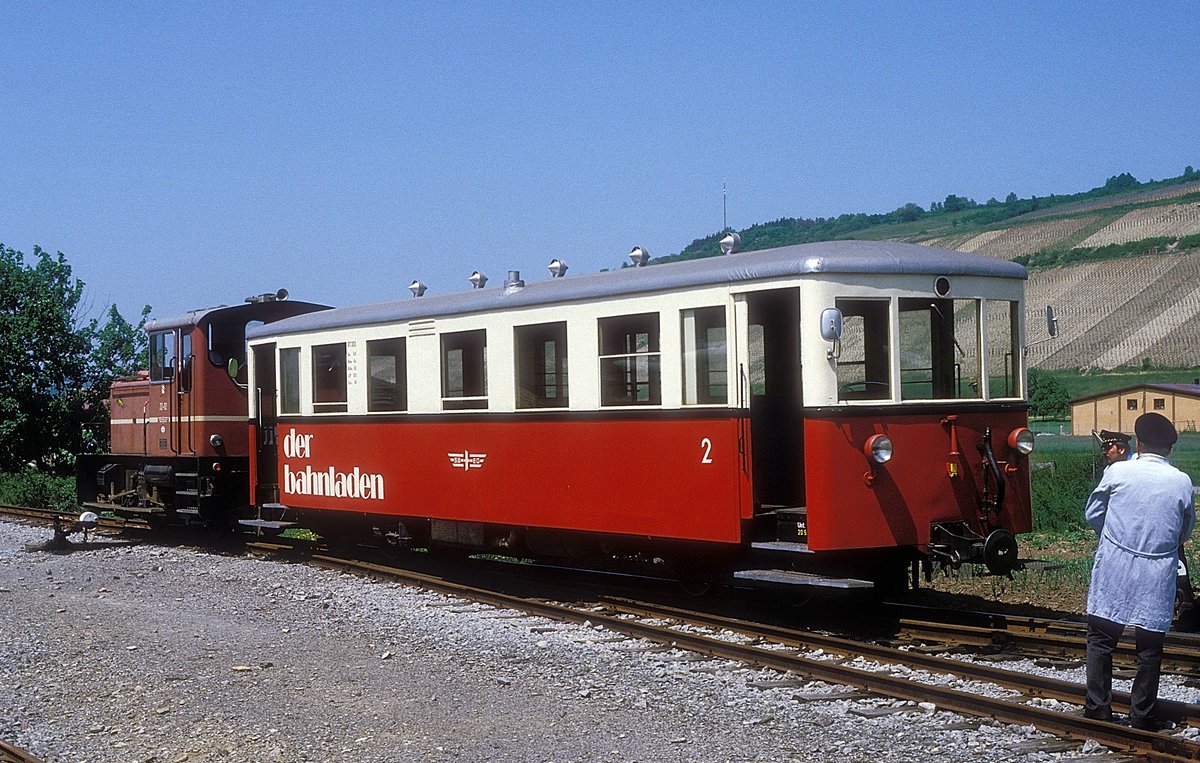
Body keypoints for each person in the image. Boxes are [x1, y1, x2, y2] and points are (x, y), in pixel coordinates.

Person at [1083, 412, 1195, 729]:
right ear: (1168, 449)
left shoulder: (1118, 472)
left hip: (1116, 563)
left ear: (1140, 443)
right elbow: (1185, 530)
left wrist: (1116, 535)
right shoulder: (1182, 481)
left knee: (1101, 639)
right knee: (1149, 647)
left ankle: (1098, 708)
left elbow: (1093, 513)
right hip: (1158, 569)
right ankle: (1142, 714)